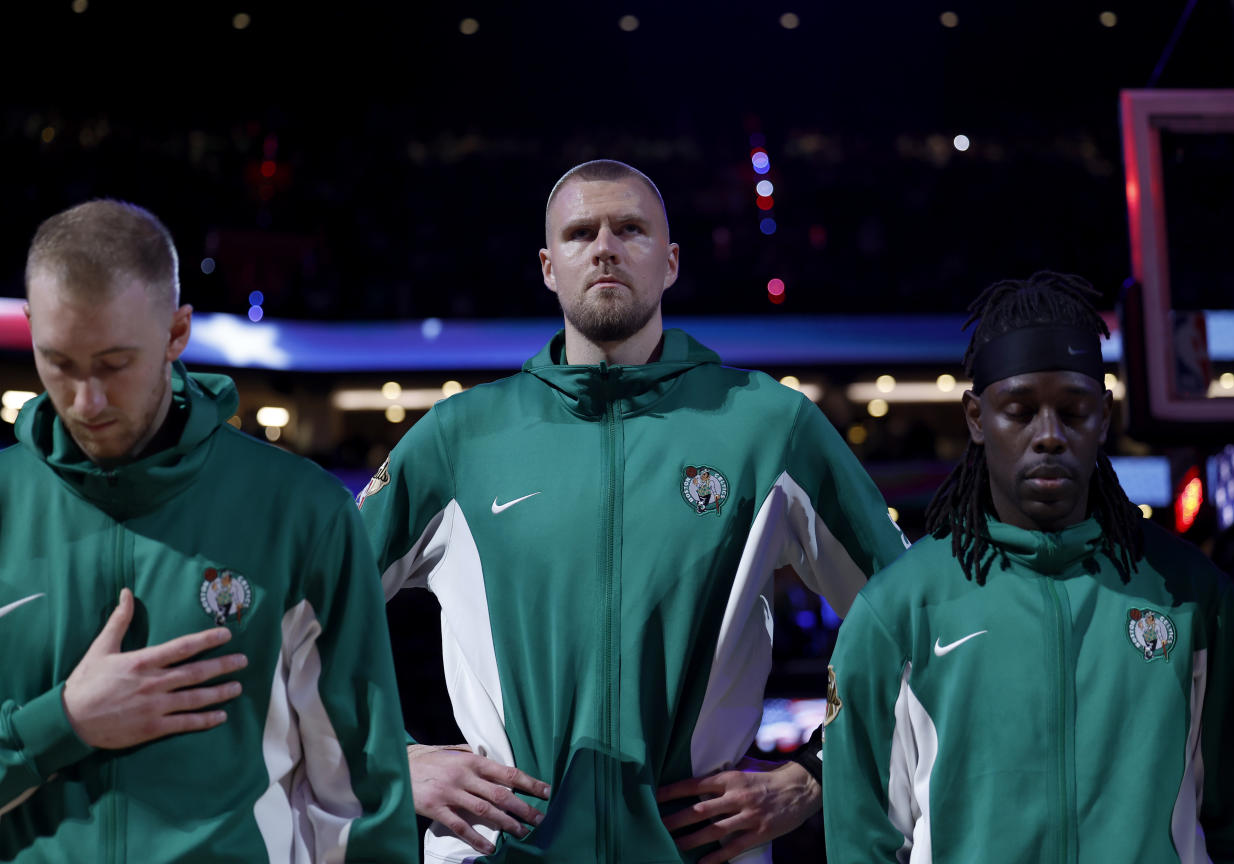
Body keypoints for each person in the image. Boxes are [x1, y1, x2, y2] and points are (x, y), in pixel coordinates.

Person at [359, 159, 909, 863]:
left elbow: (916, 620)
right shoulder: (461, 438)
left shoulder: (768, 427)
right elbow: (302, 616)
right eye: (580, 232)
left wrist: (817, 775)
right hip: (497, 851)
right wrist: (389, 759)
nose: (605, 246)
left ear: (671, 261)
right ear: (549, 266)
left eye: (631, 229)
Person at [0, 200, 420, 861]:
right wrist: (63, 723)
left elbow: (359, 794)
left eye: (114, 364)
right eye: (59, 363)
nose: (86, 401)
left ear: (176, 332)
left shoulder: (301, 511)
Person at [820, 272, 1234, 862]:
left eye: (1073, 411)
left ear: (1104, 416)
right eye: (1019, 410)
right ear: (975, 417)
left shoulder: (1193, 594)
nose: (1049, 436)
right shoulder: (897, 610)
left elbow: (1231, 822)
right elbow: (861, 841)